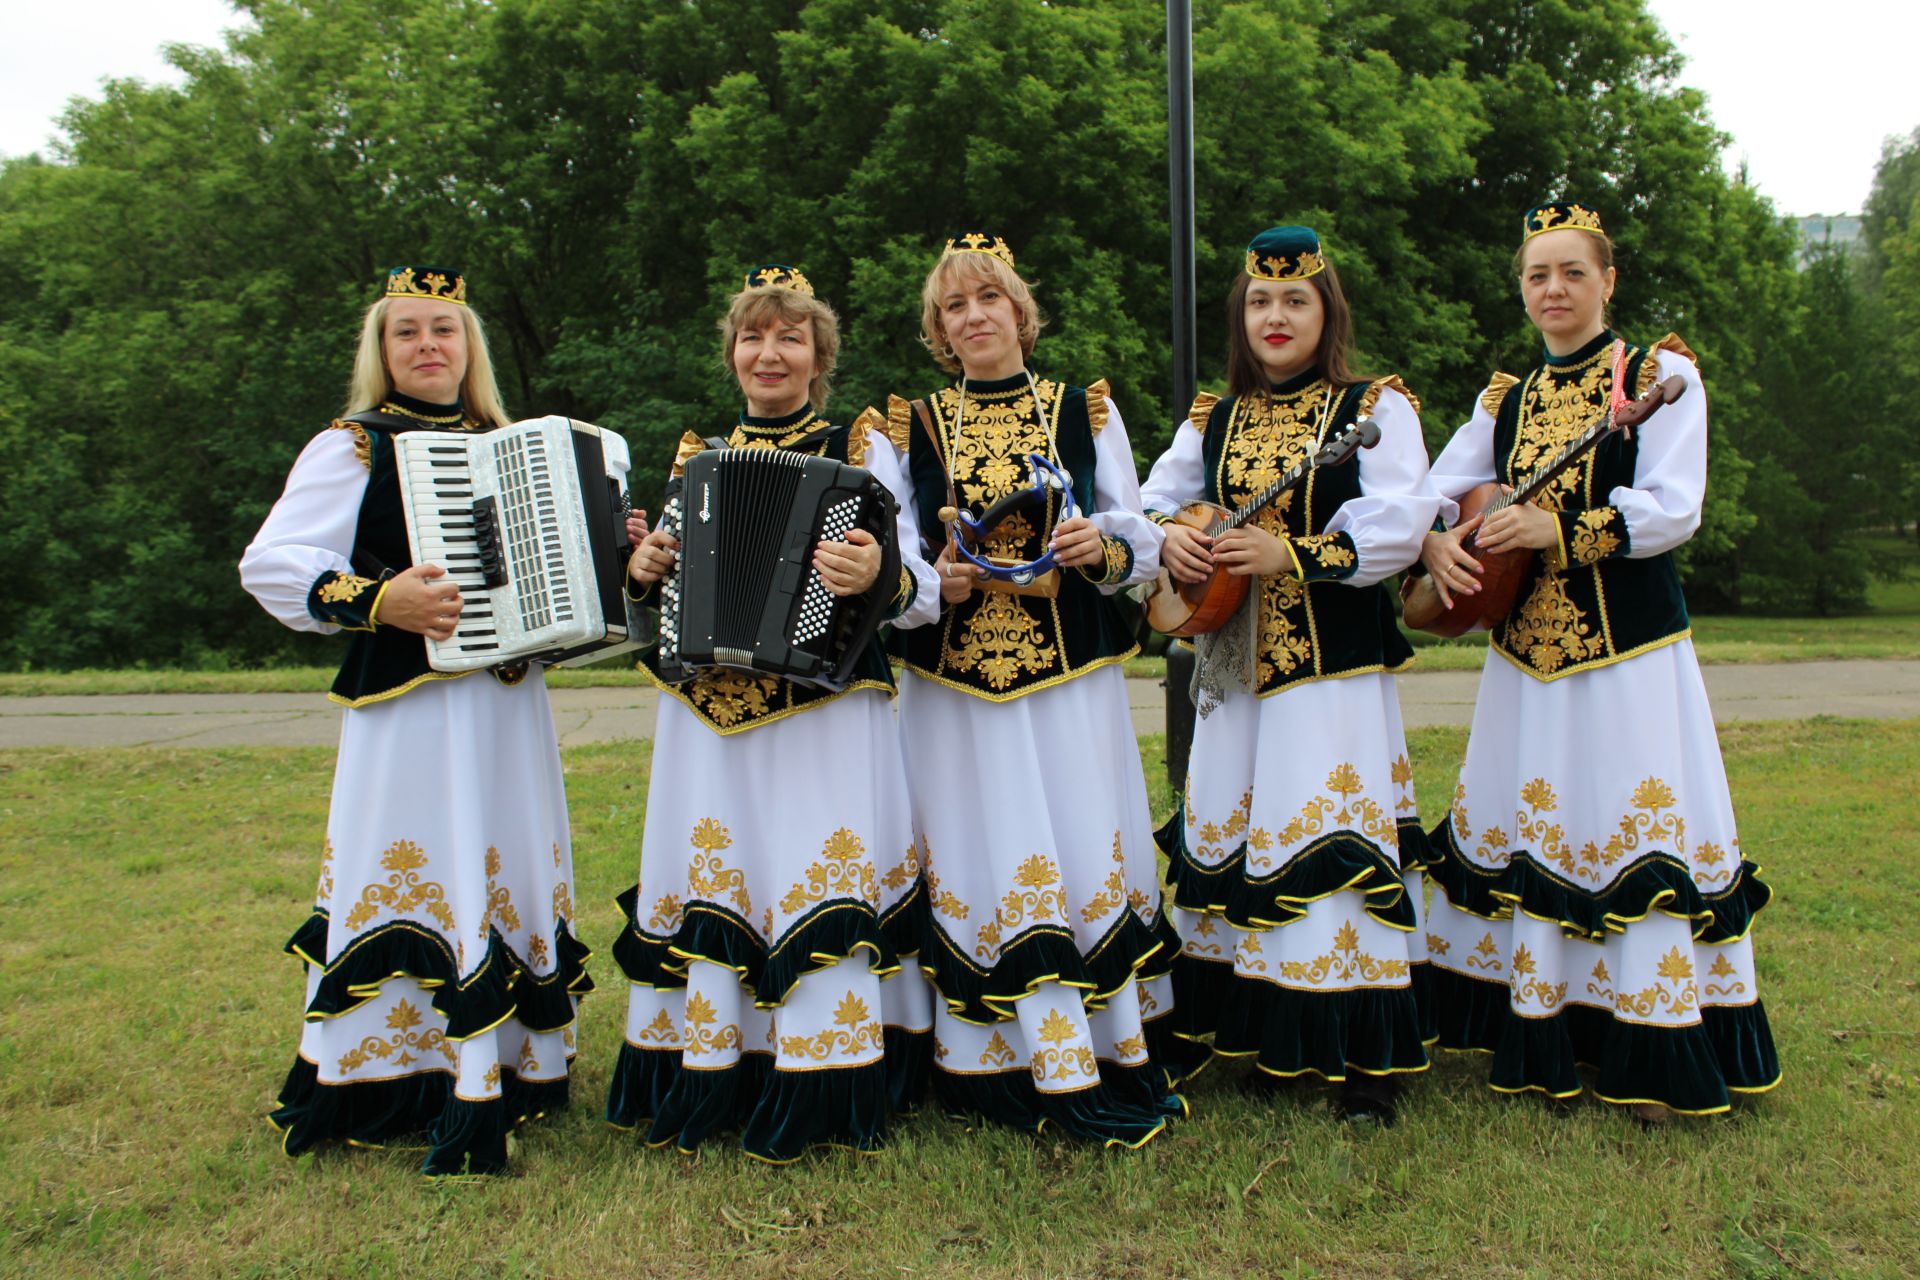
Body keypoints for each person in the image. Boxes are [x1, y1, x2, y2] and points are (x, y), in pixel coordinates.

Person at [1418, 202, 1781, 1118]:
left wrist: (1562, 528)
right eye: (1538, 276)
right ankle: (1545, 1032)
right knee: (1540, 834)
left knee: (1628, 833)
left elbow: (1674, 506)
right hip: (1525, 664)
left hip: (1627, 659)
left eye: (1572, 273)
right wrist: (1433, 543)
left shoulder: (1663, 378)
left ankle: (1651, 1051)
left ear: (1608, 281)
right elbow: (1428, 489)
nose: (1553, 291)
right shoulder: (1504, 399)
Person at [240, 266, 590, 1176]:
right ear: (382, 350)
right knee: (414, 867)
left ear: (469, 346)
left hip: (508, 706)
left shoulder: (513, 445)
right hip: (411, 709)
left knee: (503, 864)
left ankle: (511, 1066)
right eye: (407, 332)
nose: (428, 345)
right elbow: (273, 563)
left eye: (444, 329)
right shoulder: (352, 446)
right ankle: (394, 1075)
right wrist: (376, 599)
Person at [608, 264, 938, 1161]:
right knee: (727, 875)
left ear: (818, 357)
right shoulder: (696, 458)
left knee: (808, 872)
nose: (770, 352)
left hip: (823, 706)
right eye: (754, 337)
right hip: (708, 715)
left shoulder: (863, 446)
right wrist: (643, 573)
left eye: (790, 337)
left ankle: (823, 1074)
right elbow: (659, 597)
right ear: (734, 354)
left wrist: (879, 575)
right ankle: (718, 1067)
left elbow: (925, 588)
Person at [882, 233, 1182, 1146]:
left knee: (1077, 835)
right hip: (955, 687)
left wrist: (1107, 548)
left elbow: (1142, 529)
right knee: (972, 843)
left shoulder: (1082, 410)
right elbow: (889, 546)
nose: (973, 318)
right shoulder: (906, 425)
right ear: (940, 328)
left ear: (1021, 311)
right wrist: (937, 581)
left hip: (1064, 681)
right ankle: (980, 1059)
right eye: (954, 308)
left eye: (989, 300)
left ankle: (1093, 1041)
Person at [1140, 226, 1440, 1122]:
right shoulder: (1212, 417)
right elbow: (1152, 502)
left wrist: (1295, 551)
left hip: (1331, 673)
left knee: (1330, 851)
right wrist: (1181, 535)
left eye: (1296, 300)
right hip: (1233, 672)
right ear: (1242, 315)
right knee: (1237, 845)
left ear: (1326, 311)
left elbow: (1401, 518)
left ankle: (1358, 1061)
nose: (1276, 317)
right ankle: (1263, 1039)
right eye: (1261, 302)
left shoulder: (1373, 408)